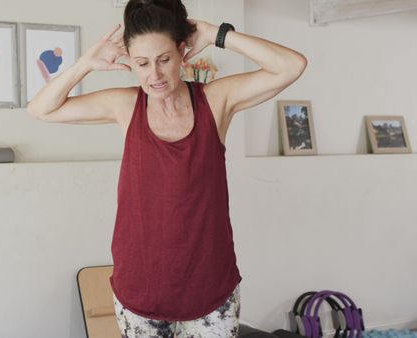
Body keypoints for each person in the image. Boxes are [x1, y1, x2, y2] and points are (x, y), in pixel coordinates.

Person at [27, 0, 307, 337]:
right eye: (142, 63)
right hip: (140, 292)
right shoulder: (125, 105)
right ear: (129, 61)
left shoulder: (216, 101)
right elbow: (41, 109)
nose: (154, 75)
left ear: (182, 53)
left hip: (210, 290)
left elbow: (291, 66)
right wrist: (85, 64)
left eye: (164, 60)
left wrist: (215, 33)